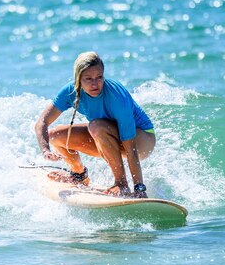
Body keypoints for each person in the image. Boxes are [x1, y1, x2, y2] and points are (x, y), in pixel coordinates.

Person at [35, 51, 156, 198]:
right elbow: (42, 122)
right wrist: (45, 150)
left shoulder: (116, 97)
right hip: (107, 134)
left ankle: (121, 183)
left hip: (142, 139)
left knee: (96, 126)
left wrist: (139, 188)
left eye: (99, 77)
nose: (95, 84)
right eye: (88, 79)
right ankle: (79, 175)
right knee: (56, 136)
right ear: (78, 79)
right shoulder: (70, 91)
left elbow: (131, 148)